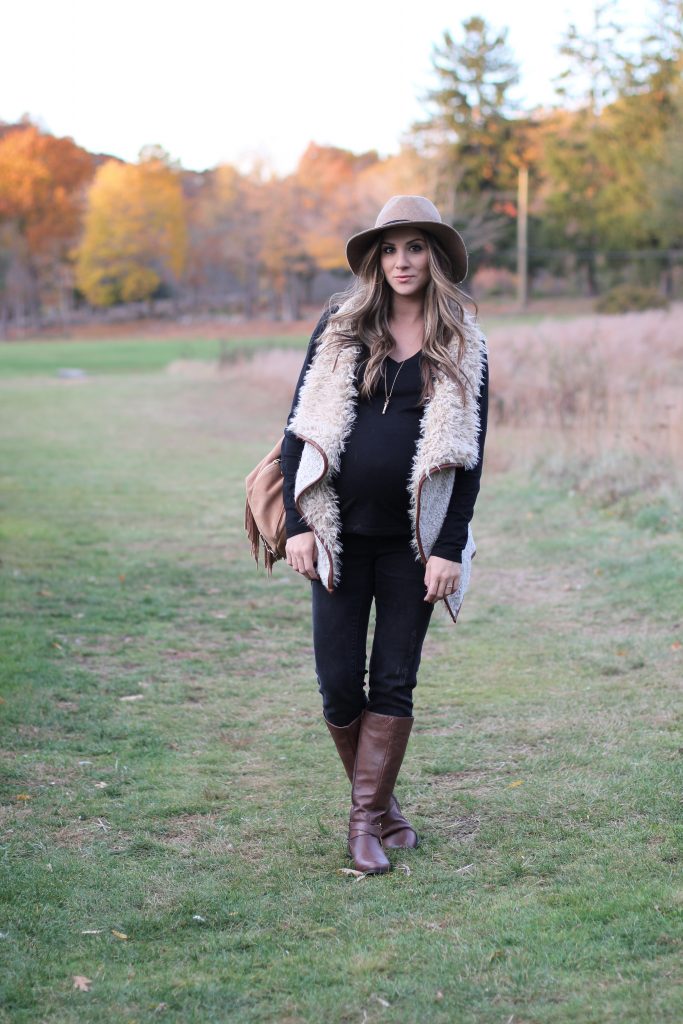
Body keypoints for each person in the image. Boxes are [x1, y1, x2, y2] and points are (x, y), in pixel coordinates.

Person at [280, 196, 488, 875]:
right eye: (391, 248)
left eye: (416, 248)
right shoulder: (339, 329)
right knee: (339, 684)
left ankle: (363, 825)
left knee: (392, 681)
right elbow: (298, 431)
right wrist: (298, 524)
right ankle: (385, 809)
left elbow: (468, 456)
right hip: (339, 534)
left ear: (435, 258)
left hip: (412, 545)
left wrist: (450, 547)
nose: (402, 261)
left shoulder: (462, 340)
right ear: (376, 258)